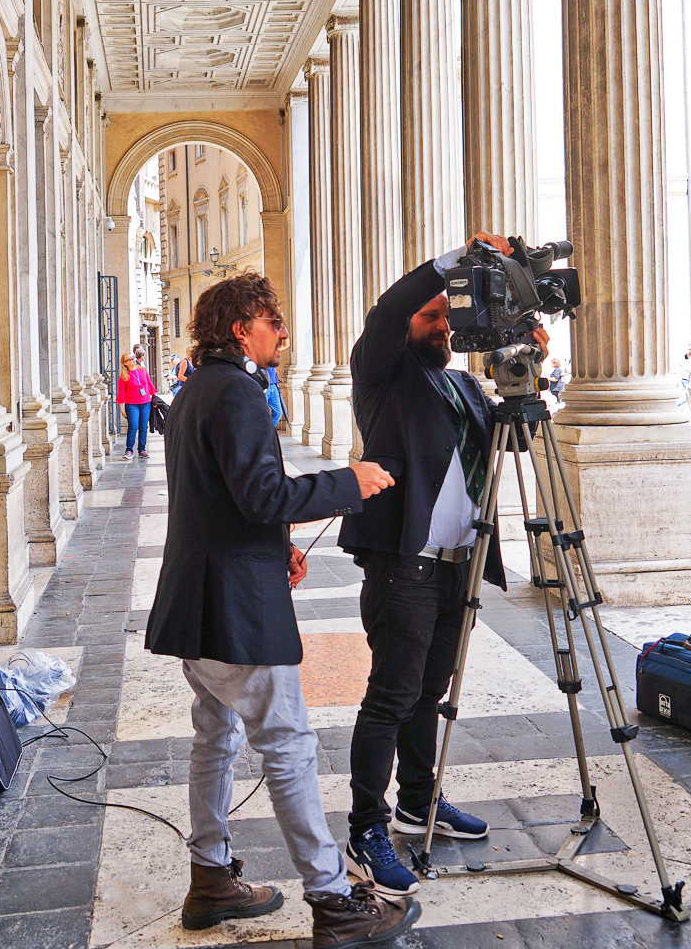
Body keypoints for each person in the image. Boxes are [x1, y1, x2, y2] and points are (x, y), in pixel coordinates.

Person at [145, 272, 419, 948]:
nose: (284, 334)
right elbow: (263, 495)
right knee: (289, 746)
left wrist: (276, 548)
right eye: (274, 322)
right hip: (234, 612)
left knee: (215, 738)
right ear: (242, 329)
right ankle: (333, 902)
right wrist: (349, 481)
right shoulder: (237, 392)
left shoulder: (195, 389)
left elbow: (220, 498)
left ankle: (210, 878)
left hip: (196, 603)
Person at [337, 233, 549, 896]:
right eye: (430, 315)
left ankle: (417, 800)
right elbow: (386, 309)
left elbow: (512, 443)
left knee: (428, 692)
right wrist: (456, 260)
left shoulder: (461, 383)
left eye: (445, 317)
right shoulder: (382, 375)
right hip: (406, 566)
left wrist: (527, 372)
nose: (442, 325)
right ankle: (365, 829)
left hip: (459, 565)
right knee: (391, 697)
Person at [116, 352, 156, 459]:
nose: (134, 359)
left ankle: (142, 450)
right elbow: (121, 393)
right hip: (132, 404)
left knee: (143, 427)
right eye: (130, 359)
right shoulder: (123, 376)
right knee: (133, 426)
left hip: (145, 403)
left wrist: (154, 398)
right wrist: (121, 409)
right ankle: (129, 450)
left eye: (133, 357)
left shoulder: (142, 370)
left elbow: (149, 384)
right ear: (125, 363)